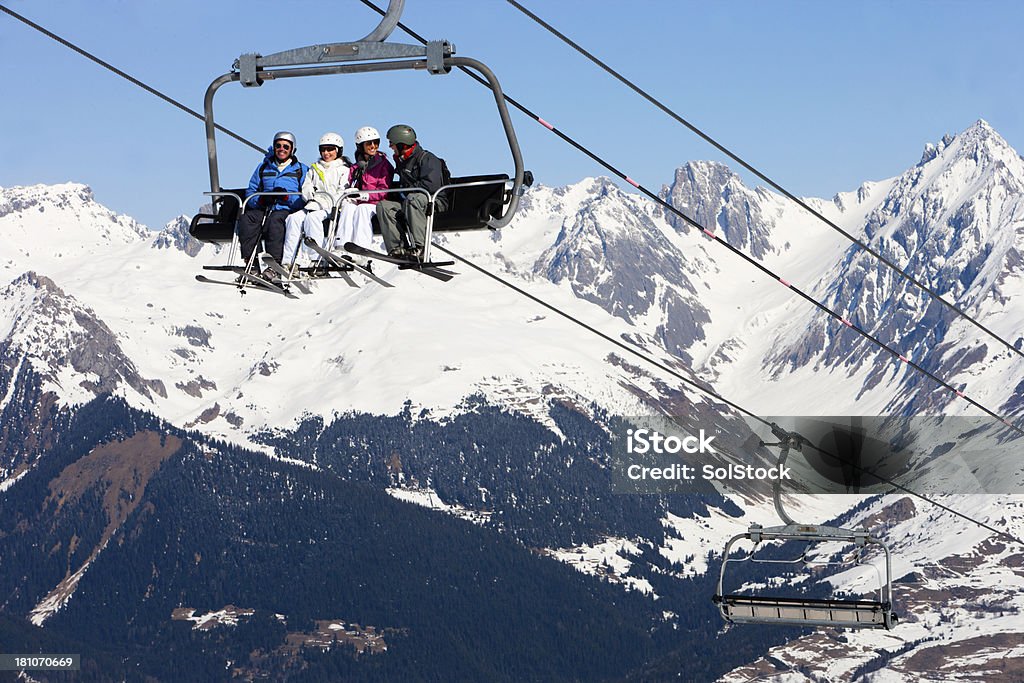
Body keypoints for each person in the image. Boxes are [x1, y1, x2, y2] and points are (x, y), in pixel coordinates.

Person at [238, 131, 308, 279]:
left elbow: (306, 195)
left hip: (286, 209)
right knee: (247, 219)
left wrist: (287, 197)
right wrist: (261, 200)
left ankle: (274, 265)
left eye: (286, 147)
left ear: (292, 150)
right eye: (278, 146)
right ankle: (252, 262)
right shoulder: (264, 168)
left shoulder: (300, 169)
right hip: (265, 207)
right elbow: (251, 191)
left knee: (275, 221)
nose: (281, 149)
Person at [375, 124, 448, 262]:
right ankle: (398, 248)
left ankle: (420, 248)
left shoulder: (427, 159)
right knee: (384, 206)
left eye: (392, 143)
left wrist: (408, 190)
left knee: (413, 198)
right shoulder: (402, 161)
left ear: (402, 144)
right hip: (411, 202)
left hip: (434, 201)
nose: (390, 147)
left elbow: (431, 185)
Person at [282, 132, 351, 268]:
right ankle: (288, 260)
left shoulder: (343, 169)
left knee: (313, 218)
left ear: (338, 150)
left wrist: (324, 203)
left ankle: (316, 258)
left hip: (333, 207)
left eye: (330, 149)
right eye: (323, 150)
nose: (326, 153)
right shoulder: (315, 168)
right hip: (314, 204)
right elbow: (307, 186)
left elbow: (342, 191)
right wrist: (310, 196)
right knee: (293, 219)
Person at [334, 126, 394, 264]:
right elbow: (352, 185)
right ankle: (341, 245)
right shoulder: (356, 168)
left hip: (377, 203)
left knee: (363, 209)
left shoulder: (384, 165)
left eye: (376, 142)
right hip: (361, 201)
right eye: (369, 143)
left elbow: (384, 190)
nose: (373, 146)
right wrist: (351, 194)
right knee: (348, 207)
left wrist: (365, 196)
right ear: (360, 146)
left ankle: (361, 249)